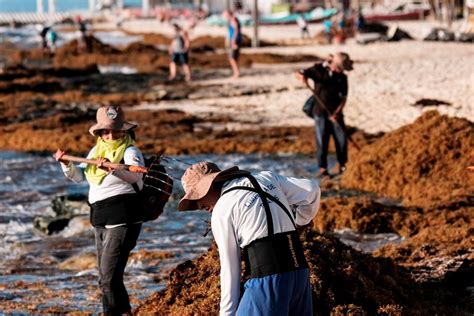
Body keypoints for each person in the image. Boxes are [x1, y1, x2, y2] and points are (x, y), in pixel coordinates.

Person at [178, 161, 321, 315]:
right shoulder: (266, 177)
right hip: (300, 275)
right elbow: (312, 189)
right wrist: (300, 223)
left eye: (197, 196)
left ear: (211, 185)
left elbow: (230, 269)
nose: (199, 205)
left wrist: (227, 314)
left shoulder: (222, 210)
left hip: (267, 280)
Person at [54, 106, 145, 315]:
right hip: (99, 218)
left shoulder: (131, 151)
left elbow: (135, 177)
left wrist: (112, 168)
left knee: (108, 277)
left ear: (125, 131)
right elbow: (80, 177)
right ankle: (123, 312)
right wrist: (66, 164)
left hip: (123, 219)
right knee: (107, 277)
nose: (111, 135)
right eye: (106, 131)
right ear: (100, 133)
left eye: (116, 131)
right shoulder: (95, 152)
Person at [295, 52, 354, 177]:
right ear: (335, 65)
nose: (342, 71)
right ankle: (323, 168)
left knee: (342, 140)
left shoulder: (342, 77)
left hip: (337, 114)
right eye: (341, 68)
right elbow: (300, 73)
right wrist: (302, 77)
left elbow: (344, 98)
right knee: (322, 140)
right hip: (320, 112)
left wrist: (337, 113)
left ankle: (342, 164)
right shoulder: (318, 70)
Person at [223, 10, 242, 79]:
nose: (224, 17)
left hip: (235, 41)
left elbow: (236, 31)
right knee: (233, 58)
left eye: (225, 15)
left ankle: (237, 73)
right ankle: (236, 72)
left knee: (232, 58)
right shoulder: (232, 20)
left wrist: (233, 41)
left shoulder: (234, 20)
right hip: (234, 40)